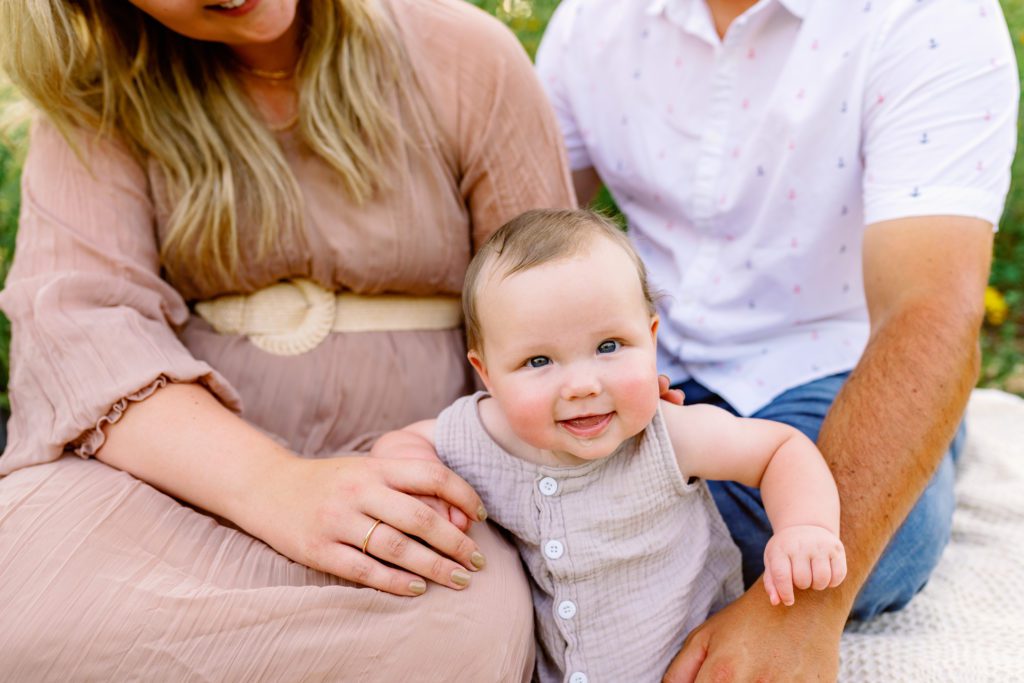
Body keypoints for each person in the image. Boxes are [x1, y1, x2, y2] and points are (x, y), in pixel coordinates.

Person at [0, 0, 576, 678]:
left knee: (448, 631)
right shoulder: (102, 92)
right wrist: (276, 486)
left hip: (424, 468)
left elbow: (555, 307)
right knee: (28, 616)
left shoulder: (465, 55)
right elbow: (79, 328)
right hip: (171, 480)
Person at [534, 0, 1019, 679]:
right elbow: (523, 239)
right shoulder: (593, 20)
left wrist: (804, 610)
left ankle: (585, 529)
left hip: (830, 369)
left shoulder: (930, 15)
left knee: (866, 548)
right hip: (642, 361)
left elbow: (931, 309)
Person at [372, 208, 848, 683]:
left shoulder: (667, 436)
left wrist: (804, 527)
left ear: (651, 338)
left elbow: (779, 449)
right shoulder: (484, 434)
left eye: (609, 346)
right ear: (487, 374)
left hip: (691, 666)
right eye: (539, 360)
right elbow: (407, 440)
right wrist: (416, 471)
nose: (582, 384)